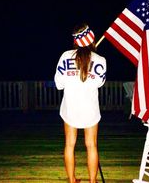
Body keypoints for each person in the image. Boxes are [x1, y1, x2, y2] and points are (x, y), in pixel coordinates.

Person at [54, 23, 107, 183]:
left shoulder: (65, 57)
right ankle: (92, 181)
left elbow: (58, 84)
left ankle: (72, 180)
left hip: (70, 109)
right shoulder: (101, 60)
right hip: (90, 110)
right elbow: (99, 83)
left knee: (69, 144)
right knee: (91, 145)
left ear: (75, 41)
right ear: (92, 40)